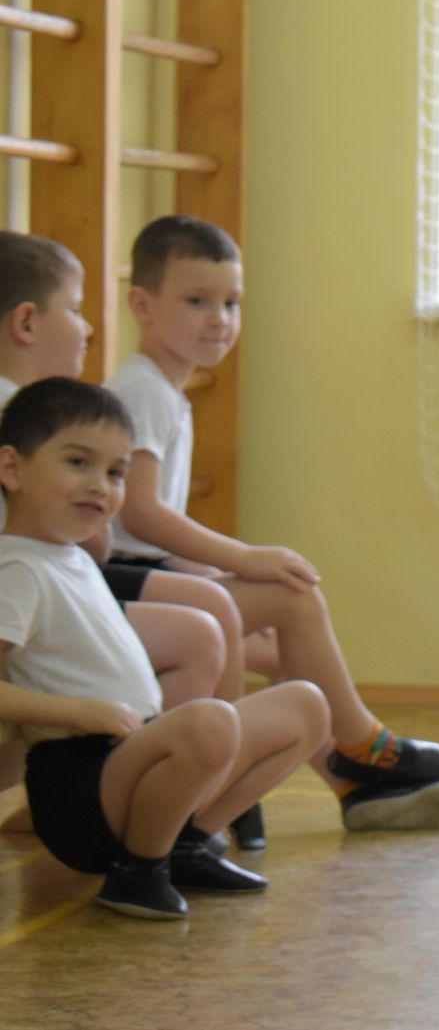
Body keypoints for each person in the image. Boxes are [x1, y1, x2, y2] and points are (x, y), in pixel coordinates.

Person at [106, 215, 439, 832]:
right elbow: (138, 513)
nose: (219, 318)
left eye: (231, 302)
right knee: (291, 599)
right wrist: (243, 558)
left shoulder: (163, 391)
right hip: (129, 591)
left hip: (153, 580)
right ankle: (364, 743)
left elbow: (146, 521)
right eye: (196, 301)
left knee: (278, 653)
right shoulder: (143, 392)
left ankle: (352, 787)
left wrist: (213, 564)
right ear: (143, 304)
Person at [0, 377, 330, 919]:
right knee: (209, 722)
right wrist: (78, 711)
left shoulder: (70, 556)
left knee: (306, 707)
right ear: (12, 469)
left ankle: (182, 846)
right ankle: (136, 872)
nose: (100, 486)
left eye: (114, 473)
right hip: (78, 784)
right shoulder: (18, 568)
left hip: (127, 758)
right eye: (78, 463)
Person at [0, 231, 239, 839]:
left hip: (56, 589)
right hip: (32, 606)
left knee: (208, 624)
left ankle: (176, 804)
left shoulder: (43, 407)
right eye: (77, 309)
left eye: (111, 471)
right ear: (27, 321)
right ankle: (167, 812)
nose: (87, 329)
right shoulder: (27, 419)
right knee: (211, 616)